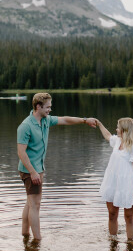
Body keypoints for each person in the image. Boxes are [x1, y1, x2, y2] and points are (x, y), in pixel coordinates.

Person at [17, 92, 97, 240]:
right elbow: (21, 153)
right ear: (38, 106)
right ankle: (37, 240)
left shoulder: (46, 120)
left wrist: (85, 120)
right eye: (47, 107)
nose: (50, 110)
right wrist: (33, 172)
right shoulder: (25, 126)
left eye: (50, 107)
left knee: (30, 202)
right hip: (30, 170)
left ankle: (25, 234)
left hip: (38, 169)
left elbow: (65, 119)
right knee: (35, 205)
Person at [96, 117, 133, 240]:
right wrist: (99, 124)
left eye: (118, 128)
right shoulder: (117, 141)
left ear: (124, 130)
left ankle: (131, 243)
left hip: (128, 184)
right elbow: (108, 136)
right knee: (112, 214)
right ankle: (113, 241)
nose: (116, 129)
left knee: (129, 217)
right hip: (113, 182)